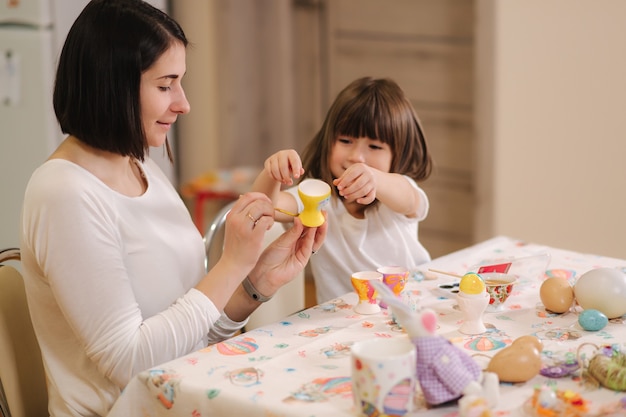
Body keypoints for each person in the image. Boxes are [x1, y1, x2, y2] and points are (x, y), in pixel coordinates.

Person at [19, 1, 326, 416]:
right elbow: (130, 362)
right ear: (113, 84)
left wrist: (255, 284)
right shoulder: (64, 193)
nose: (183, 104)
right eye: (166, 86)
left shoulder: (138, 163)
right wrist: (230, 266)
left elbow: (193, 332)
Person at [252, 77, 432, 303]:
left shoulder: (397, 194)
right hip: (341, 323)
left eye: (374, 146)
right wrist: (272, 174)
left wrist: (375, 179)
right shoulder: (316, 198)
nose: (356, 156)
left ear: (399, 154)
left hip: (409, 308)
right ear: (328, 142)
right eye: (346, 140)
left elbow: (410, 200)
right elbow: (263, 208)